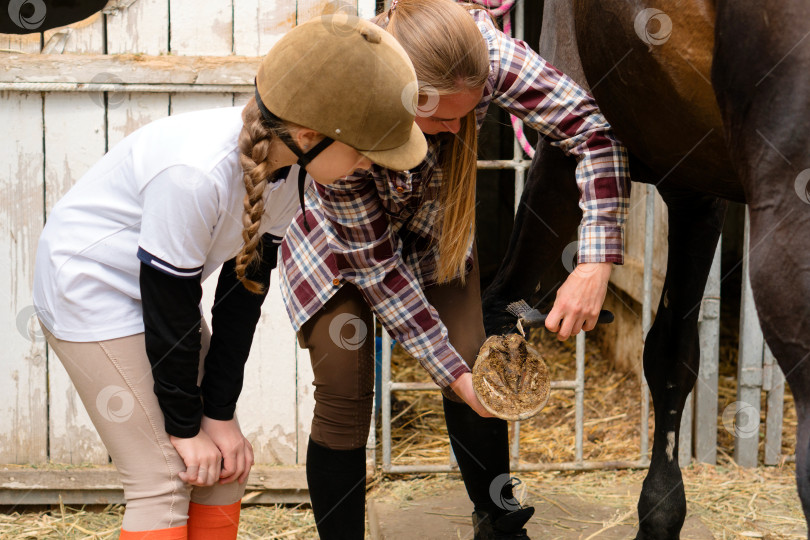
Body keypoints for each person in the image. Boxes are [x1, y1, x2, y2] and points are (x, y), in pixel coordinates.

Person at [32, 15, 427, 540]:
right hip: (88, 287)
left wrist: (218, 415)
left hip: (156, 296)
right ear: (309, 134)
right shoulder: (195, 175)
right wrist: (184, 426)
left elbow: (241, 300)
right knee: (165, 477)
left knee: (225, 466)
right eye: (361, 151)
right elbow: (170, 303)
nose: (366, 165)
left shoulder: (289, 174)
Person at [278, 1, 631, 539]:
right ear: (401, 92)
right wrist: (449, 372)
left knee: (476, 360)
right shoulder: (352, 95)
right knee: (345, 392)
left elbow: (593, 130)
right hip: (340, 245)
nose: (457, 128)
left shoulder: (489, 57)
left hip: (439, 228)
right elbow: (378, 272)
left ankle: (499, 524)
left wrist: (595, 259)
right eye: (440, 116)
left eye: (468, 112)